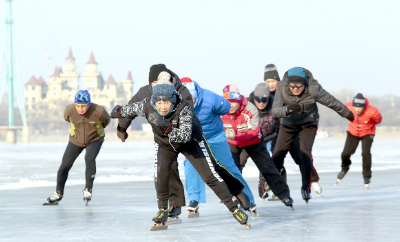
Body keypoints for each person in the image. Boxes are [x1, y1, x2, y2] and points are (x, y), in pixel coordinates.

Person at [110, 72, 250, 228]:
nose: (163, 107)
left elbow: (183, 136)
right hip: (165, 144)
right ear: (154, 100)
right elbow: (128, 110)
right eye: (159, 103)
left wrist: (165, 127)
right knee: (160, 175)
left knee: (210, 175)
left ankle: (233, 208)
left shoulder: (183, 108)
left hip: (191, 142)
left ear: (173, 99)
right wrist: (115, 112)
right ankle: (162, 209)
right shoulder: (147, 105)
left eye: (167, 102)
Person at [116, 64, 190, 217]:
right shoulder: (145, 92)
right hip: (162, 136)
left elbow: (189, 113)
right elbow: (130, 108)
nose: (159, 88)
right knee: (168, 167)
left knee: (201, 166)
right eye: (154, 84)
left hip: (184, 134)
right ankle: (174, 204)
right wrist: (121, 129)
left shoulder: (181, 91)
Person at [271, 67, 353, 203]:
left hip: (308, 124)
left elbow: (331, 102)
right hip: (288, 125)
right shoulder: (281, 86)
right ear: (288, 84)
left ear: (305, 83)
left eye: (299, 86)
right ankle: (275, 185)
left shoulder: (314, 88)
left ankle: (306, 188)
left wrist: (348, 114)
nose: (296, 89)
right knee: (278, 154)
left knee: (304, 154)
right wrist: (287, 109)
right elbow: (275, 111)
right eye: (293, 86)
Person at [180, 77, 257, 216]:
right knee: (190, 165)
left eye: (192, 99)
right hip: (194, 139)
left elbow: (226, 107)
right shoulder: (176, 102)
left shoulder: (210, 98)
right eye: (186, 100)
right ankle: (194, 199)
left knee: (228, 166)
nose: (190, 103)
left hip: (214, 136)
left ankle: (249, 199)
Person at [221, 84, 294, 208]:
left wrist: (233, 134)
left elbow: (254, 131)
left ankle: (284, 195)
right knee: (232, 168)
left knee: (267, 168)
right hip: (233, 142)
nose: (232, 105)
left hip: (253, 141)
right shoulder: (220, 109)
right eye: (229, 102)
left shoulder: (250, 109)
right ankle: (235, 195)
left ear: (240, 100)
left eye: (235, 102)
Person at [44, 90, 110, 205]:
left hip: (95, 139)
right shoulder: (69, 110)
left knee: (89, 158)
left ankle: (88, 190)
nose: (80, 109)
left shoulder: (99, 111)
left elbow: (106, 121)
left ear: (89, 104)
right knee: (65, 164)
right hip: (76, 139)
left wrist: (94, 131)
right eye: (78, 106)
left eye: (83, 106)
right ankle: (58, 193)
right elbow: (67, 118)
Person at [336, 93, 382, 187]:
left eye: (359, 107)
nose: (357, 109)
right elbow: (341, 111)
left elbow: (378, 120)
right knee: (345, 153)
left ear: (364, 107)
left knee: (365, 153)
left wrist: (369, 123)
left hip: (367, 133)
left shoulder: (372, 111)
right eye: (355, 107)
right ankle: (344, 168)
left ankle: (366, 176)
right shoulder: (348, 106)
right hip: (353, 132)